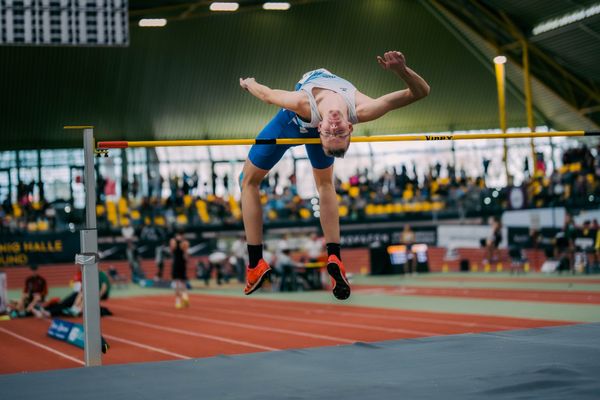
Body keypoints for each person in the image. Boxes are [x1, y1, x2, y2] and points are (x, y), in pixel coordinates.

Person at [239, 51, 430, 299]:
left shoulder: (302, 103)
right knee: (314, 184)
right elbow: (421, 92)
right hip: (299, 121)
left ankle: (258, 264)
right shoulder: (362, 108)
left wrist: (248, 83)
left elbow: (266, 95)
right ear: (350, 128)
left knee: (252, 181)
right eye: (338, 134)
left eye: (332, 134)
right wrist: (401, 71)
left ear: (320, 131)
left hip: (293, 122)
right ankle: (320, 259)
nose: (335, 129)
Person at [170, 230, 190, 309]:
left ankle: (178, 301)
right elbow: (186, 254)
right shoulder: (185, 242)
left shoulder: (173, 241)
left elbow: (172, 250)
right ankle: (185, 297)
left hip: (176, 263)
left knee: (177, 282)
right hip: (183, 263)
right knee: (183, 281)